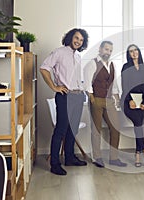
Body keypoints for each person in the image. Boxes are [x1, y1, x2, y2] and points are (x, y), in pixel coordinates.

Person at [40, 28, 89, 175]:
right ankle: (54, 164)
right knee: (61, 129)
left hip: (78, 96)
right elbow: (44, 68)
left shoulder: (78, 56)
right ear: (70, 37)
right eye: (76, 38)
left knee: (72, 129)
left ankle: (70, 157)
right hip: (65, 97)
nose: (78, 41)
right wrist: (54, 87)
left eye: (81, 40)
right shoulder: (59, 52)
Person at [83, 41, 127, 168]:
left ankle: (114, 158)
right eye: (106, 49)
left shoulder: (112, 65)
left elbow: (114, 84)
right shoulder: (92, 63)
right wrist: (92, 98)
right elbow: (87, 83)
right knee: (96, 130)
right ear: (100, 49)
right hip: (96, 98)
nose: (108, 52)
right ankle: (97, 157)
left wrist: (117, 99)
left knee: (115, 128)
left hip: (109, 100)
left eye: (110, 50)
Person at [121, 44, 144, 167]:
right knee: (138, 122)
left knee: (138, 123)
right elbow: (125, 85)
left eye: (135, 50)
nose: (134, 53)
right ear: (128, 54)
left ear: (139, 52)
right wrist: (129, 100)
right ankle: (143, 149)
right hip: (128, 101)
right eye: (131, 51)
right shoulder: (125, 67)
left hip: (140, 101)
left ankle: (138, 152)